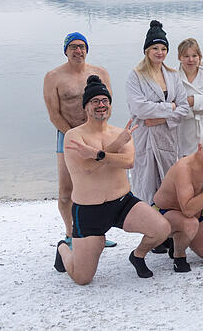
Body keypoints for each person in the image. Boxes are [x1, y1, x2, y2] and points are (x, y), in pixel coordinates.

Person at [54, 75, 170, 284]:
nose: (101, 105)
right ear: (86, 107)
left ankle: (138, 256)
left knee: (162, 228)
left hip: (122, 203)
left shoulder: (121, 133)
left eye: (104, 101)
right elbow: (87, 169)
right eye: (95, 102)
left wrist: (98, 154)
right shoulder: (74, 136)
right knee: (82, 278)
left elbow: (128, 162)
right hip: (88, 210)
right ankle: (63, 247)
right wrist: (111, 151)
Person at [43, 32, 117, 248]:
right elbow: (54, 114)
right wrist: (73, 137)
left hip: (95, 134)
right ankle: (71, 234)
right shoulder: (53, 77)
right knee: (67, 190)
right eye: (73, 47)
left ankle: (96, 234)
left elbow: (107, 106)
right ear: (65, 50)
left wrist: (97, 136)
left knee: (97, 187)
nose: (78, 51)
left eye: (82, 47)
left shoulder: (100, 72)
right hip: (66, 134)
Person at [126, 20, 190, 204]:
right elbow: (139, 107)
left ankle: (168, 228)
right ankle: (149, 226)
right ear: (147, 50)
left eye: (163, 48)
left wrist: (162, 119)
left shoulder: (172, 75)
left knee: (168, 182)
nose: (159, 52)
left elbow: (184, 107)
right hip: (145, 137)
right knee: (146, 184)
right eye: (155, 48)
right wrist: (169, 107)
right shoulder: (135, 75)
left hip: (168, 136)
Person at [152, 129, 203, 271]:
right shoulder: (184, 167)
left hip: (195, 215)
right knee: (190, 223)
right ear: (200, 148)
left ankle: (179, 240)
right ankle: (178, 254)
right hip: (165, 212)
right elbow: (188, 210)